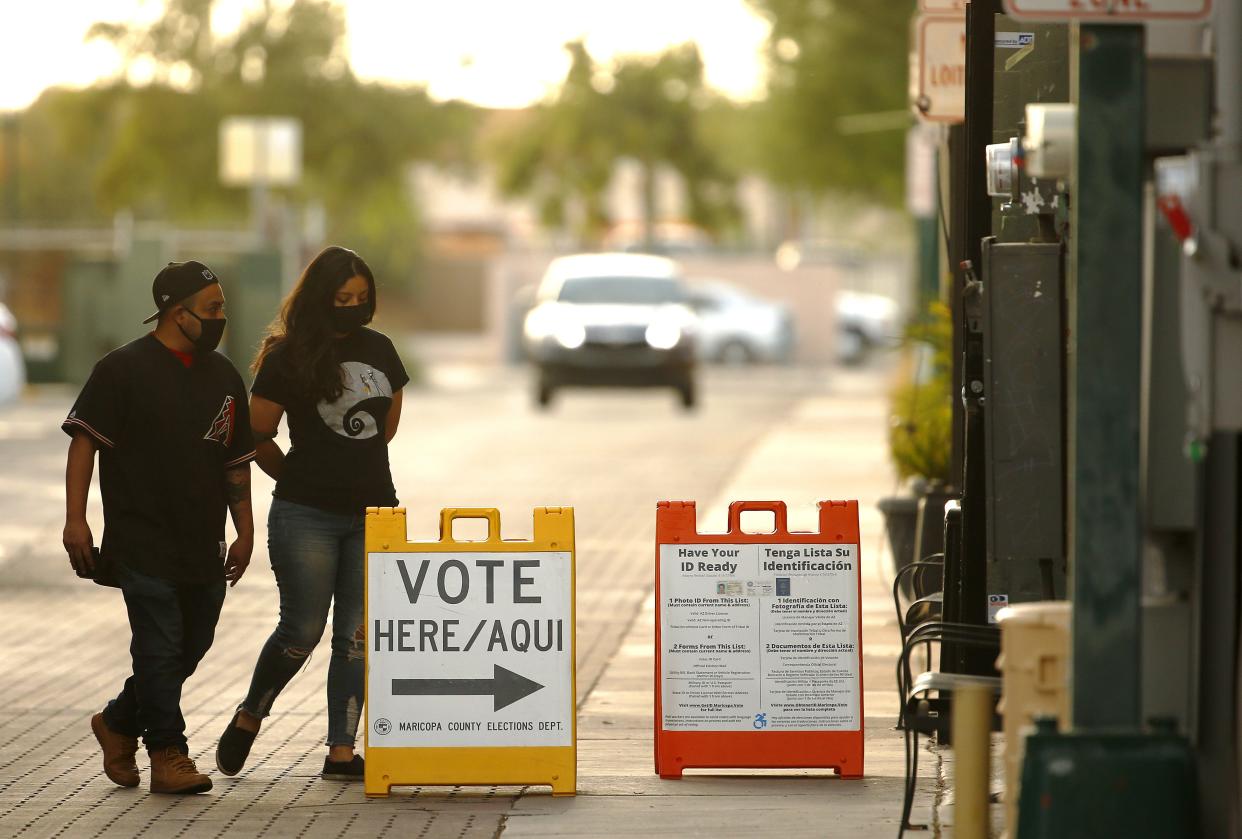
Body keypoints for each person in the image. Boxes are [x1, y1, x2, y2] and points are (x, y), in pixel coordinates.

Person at [215, 246, 408, 781]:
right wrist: (295, 477)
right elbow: (255, 435)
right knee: (301, 629)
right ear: (320, 298)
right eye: (343, 298)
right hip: (306, 516)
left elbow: (386, 426)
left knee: (355, 638)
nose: (353, 307)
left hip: (375, 512)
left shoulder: (382, 350)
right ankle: (250, 715)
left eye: (362, 299)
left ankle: (341, 753)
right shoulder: (286, 357)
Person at [63, 261, 256, 795]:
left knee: (192, 643)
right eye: (213, 309)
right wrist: (75, 519)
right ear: (178, 312)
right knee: (158, 645)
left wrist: (244, 529)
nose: (222, 318)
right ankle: (168, 752)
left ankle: (120, 722)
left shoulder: (223, 376)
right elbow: (84, 444)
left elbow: (234, 462)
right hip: (140, 538)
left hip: (202, 542)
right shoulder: (121, 370)